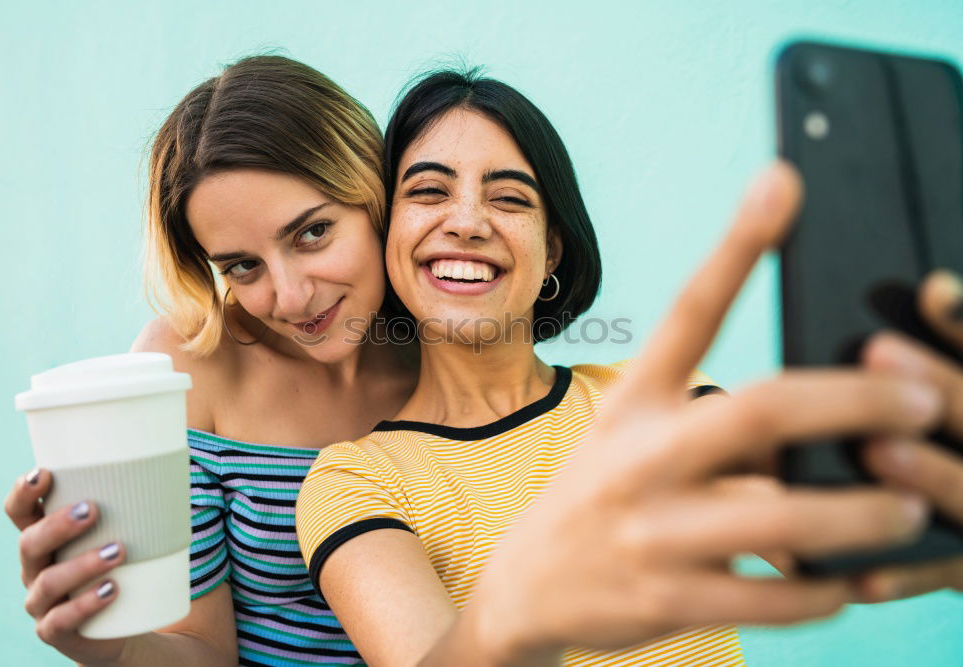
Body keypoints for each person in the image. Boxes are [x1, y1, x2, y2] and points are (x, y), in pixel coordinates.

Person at [295, 69, 963, 667]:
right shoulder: (355, 479)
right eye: (429, 190)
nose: (466, 221)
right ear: (387, 238)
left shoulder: (653, 401)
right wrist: (517, 617)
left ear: (552, 251)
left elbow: (828, 532)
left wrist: (928, 485)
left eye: (510, 199)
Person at [3, 55, 417, 667]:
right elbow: (202, 649)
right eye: (242, 266)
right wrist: (113, 646)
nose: (291, 296)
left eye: (312, 233)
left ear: (374, 194)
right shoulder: (183, 372)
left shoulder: (456, 342)